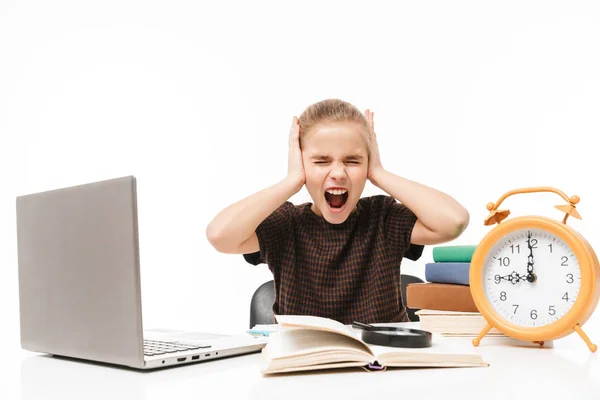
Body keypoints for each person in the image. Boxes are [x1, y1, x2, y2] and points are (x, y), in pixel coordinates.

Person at [206, 99, 469, 324]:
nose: (338, 173)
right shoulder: (285, 224)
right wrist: (291, 181)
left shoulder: (382, 217)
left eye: (353, 161)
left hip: (384, 371)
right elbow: (220, 235)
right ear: (301, 163)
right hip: (306, 371)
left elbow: (453, 221)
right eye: (321, 161)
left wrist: (379, 173)